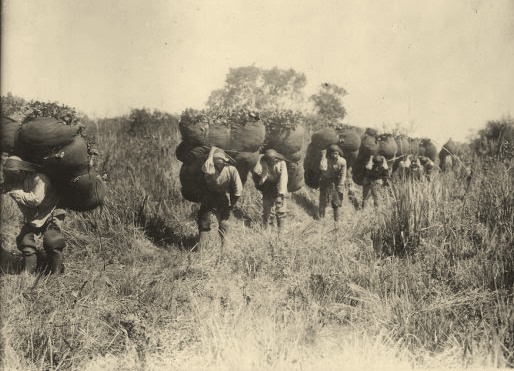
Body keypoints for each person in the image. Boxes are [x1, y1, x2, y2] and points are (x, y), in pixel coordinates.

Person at [2, 156, 65, 274]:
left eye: (14, 173)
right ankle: (28, 271)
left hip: (52, 213)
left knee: (52, 242)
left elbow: (35, 200)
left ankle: (56, 273)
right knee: (25, 241)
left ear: (22, 170)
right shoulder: (20, 182)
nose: (12, 177)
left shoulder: (40, 179)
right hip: (36, 217)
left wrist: (16, 193)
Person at [197, 146, 243, 251]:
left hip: (219, 197)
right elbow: (238, 190)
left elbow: (237, 190)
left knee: (222, 222)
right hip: (210, 196)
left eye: (220, 160)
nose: (219, 163)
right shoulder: (209, 167)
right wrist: (233, 203)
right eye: (217, 160)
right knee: (206, 221)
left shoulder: (229, 169)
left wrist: (232, 203)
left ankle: (222, 248)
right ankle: (203, 249)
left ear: (225, 160)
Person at [252, 149, 288, 230]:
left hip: (279, 185)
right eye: (268, 160)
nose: (270, 162)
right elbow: (256, 171)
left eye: (272, 160)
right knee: (267, 208)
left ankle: (281, 231)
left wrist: (281, 194)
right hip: (268, 186)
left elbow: (283, 178)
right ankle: (266, 229)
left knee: (281, 209)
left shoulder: (281, 163)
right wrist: (263, 172)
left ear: (275, 159)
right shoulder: (262, 162)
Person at [318, 144, 347, 221]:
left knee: (336, 201)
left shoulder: (342, 161)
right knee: (322, 200)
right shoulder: (326, 160)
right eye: (333, 153)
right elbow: (322, 168)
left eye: (336, 153)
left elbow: (343, 174)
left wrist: (341, 184)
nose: (334, 155)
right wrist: (323, 156)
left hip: (336, 182)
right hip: (325, 181)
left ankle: (336, 221)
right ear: (330, 154)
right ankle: (321, 218)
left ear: (339, 153)